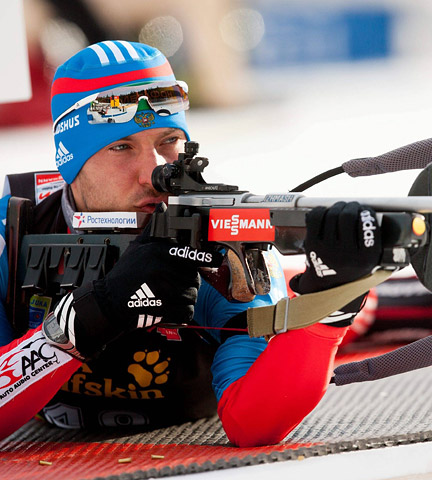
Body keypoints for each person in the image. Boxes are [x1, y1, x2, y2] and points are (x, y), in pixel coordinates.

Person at [0, 40, 381, 446]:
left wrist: (330, 305)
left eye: (167, 141)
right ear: (69, 159)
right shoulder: (13, 227)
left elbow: (253, 424)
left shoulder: (219, 235)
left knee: (354, 309)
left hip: (184, 412)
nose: (154, 173)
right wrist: (91, 317)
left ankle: (385, 297)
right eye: (121, 147)